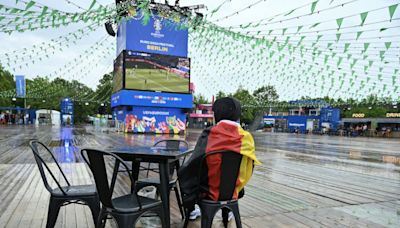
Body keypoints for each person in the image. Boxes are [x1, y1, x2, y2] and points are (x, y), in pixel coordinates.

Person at [178, 97, 261, 220]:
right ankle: (227, 210)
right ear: (238, 114)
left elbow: (194, 165)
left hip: (207, 191)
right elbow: (248, 168)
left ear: (216, 114)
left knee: (187, 174)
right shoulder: (247, 138)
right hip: (233, 190)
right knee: (229, 175)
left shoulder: (209, 134)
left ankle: (191, 210)